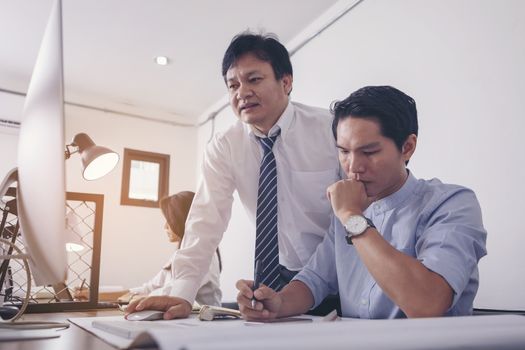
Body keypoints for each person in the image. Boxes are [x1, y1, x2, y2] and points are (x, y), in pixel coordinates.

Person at [126, 32, 340, 319]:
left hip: (342, 271)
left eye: (254, 80)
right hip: (280, 281)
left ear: (286, 82)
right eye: (233, 85)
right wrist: (182, 294)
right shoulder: (224, 147)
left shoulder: (330, 130)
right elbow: (205, 222)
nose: (242, 92)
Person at [236, 85, 488, 320]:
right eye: (344, 151)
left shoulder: (452, 204)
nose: (353, 167)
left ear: (408, 147)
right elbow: (314, 280)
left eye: (369, 152)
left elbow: (428, 303)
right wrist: (278, 303)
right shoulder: (348, 213)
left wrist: (351, 217)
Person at [77, 192, 222, 307]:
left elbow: (172, 293)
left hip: (202, 324)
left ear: (182, 220)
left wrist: (133, 298)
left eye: (169, 220)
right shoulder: (177, 257)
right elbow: (147, 289)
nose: (165, 226)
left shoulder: (205, 256)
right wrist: (90, 294)